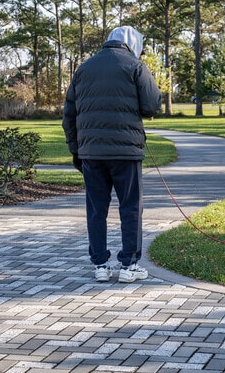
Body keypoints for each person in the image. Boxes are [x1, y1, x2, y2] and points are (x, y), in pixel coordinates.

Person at [62, 26, 161, 283]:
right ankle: (129, 265)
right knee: (130, 208)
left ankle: (101, 266)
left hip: (91, 153)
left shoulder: (83, 69)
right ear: (132, 44)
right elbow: (152, 105)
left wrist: (76, 150)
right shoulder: (135, 66)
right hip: (126, 153)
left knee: (96, 209)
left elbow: (69, 115)